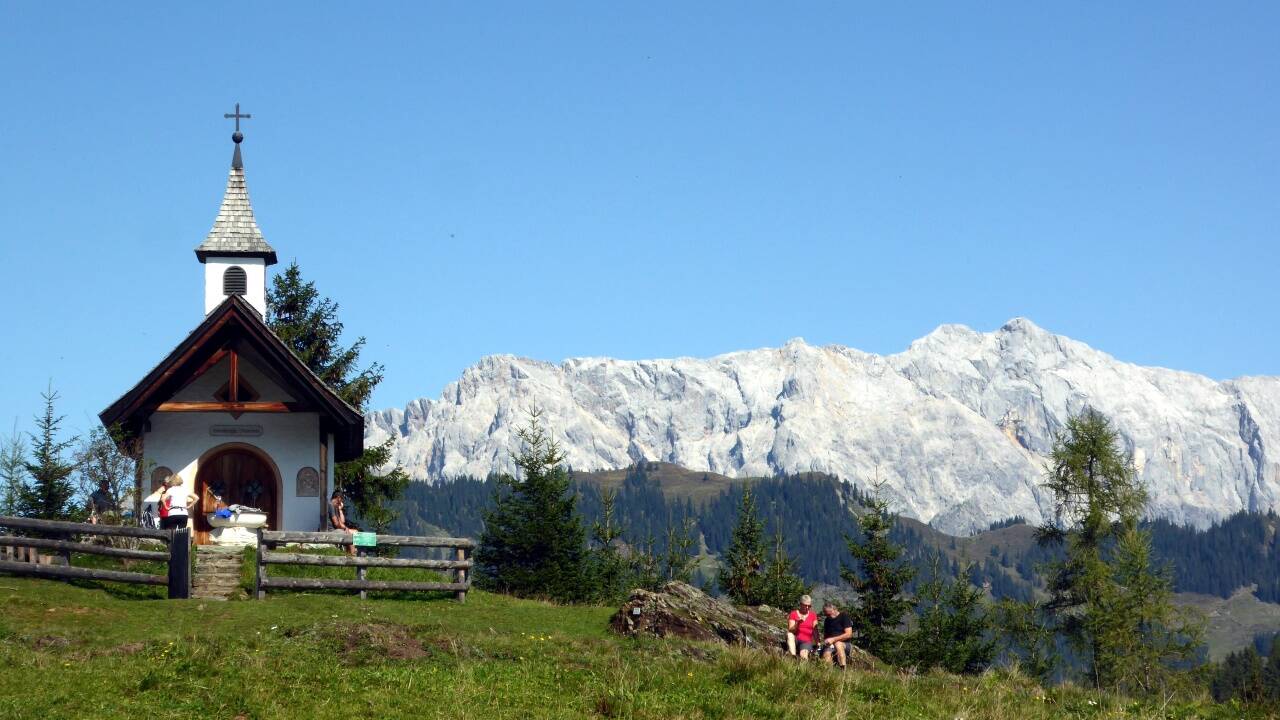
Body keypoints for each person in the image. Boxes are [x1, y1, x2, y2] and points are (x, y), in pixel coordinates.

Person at [818, 601, 855, 669]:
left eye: (829, 614)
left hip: (845, 643)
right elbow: (826, 636)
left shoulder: (844, 616)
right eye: (826, 614)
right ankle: (829, 673)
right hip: (831, 644)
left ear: (835, 610)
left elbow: (849, 634)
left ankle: (843, 669)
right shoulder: (827, 620)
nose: (828, 616)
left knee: (838, 644)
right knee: (826, 653)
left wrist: (833, 639)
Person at [786, 594, 819, 660]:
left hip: (807, 641)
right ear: (801, 604)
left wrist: (817, 642)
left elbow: (815, 630)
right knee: (789, 634)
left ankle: (804, 668)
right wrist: (797, 623)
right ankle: (793, 656)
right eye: (805, 605)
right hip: (796, 639)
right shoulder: (793, 614)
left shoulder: (813, 615)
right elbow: (791, 630)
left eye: (809, 606)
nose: (807, 607)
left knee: (803, 655)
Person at [328, 490, 359, 555]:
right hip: (330, 530)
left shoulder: (335, 507)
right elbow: (336, 524)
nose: (342, 501)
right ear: (338, 498)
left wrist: (340, 510)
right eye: (341, 499)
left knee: (356, 532)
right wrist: (345, 529)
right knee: (349, 535)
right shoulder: (330, 505)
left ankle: (350, 553)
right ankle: (352, 554)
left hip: (336, 529)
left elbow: (342, 521)